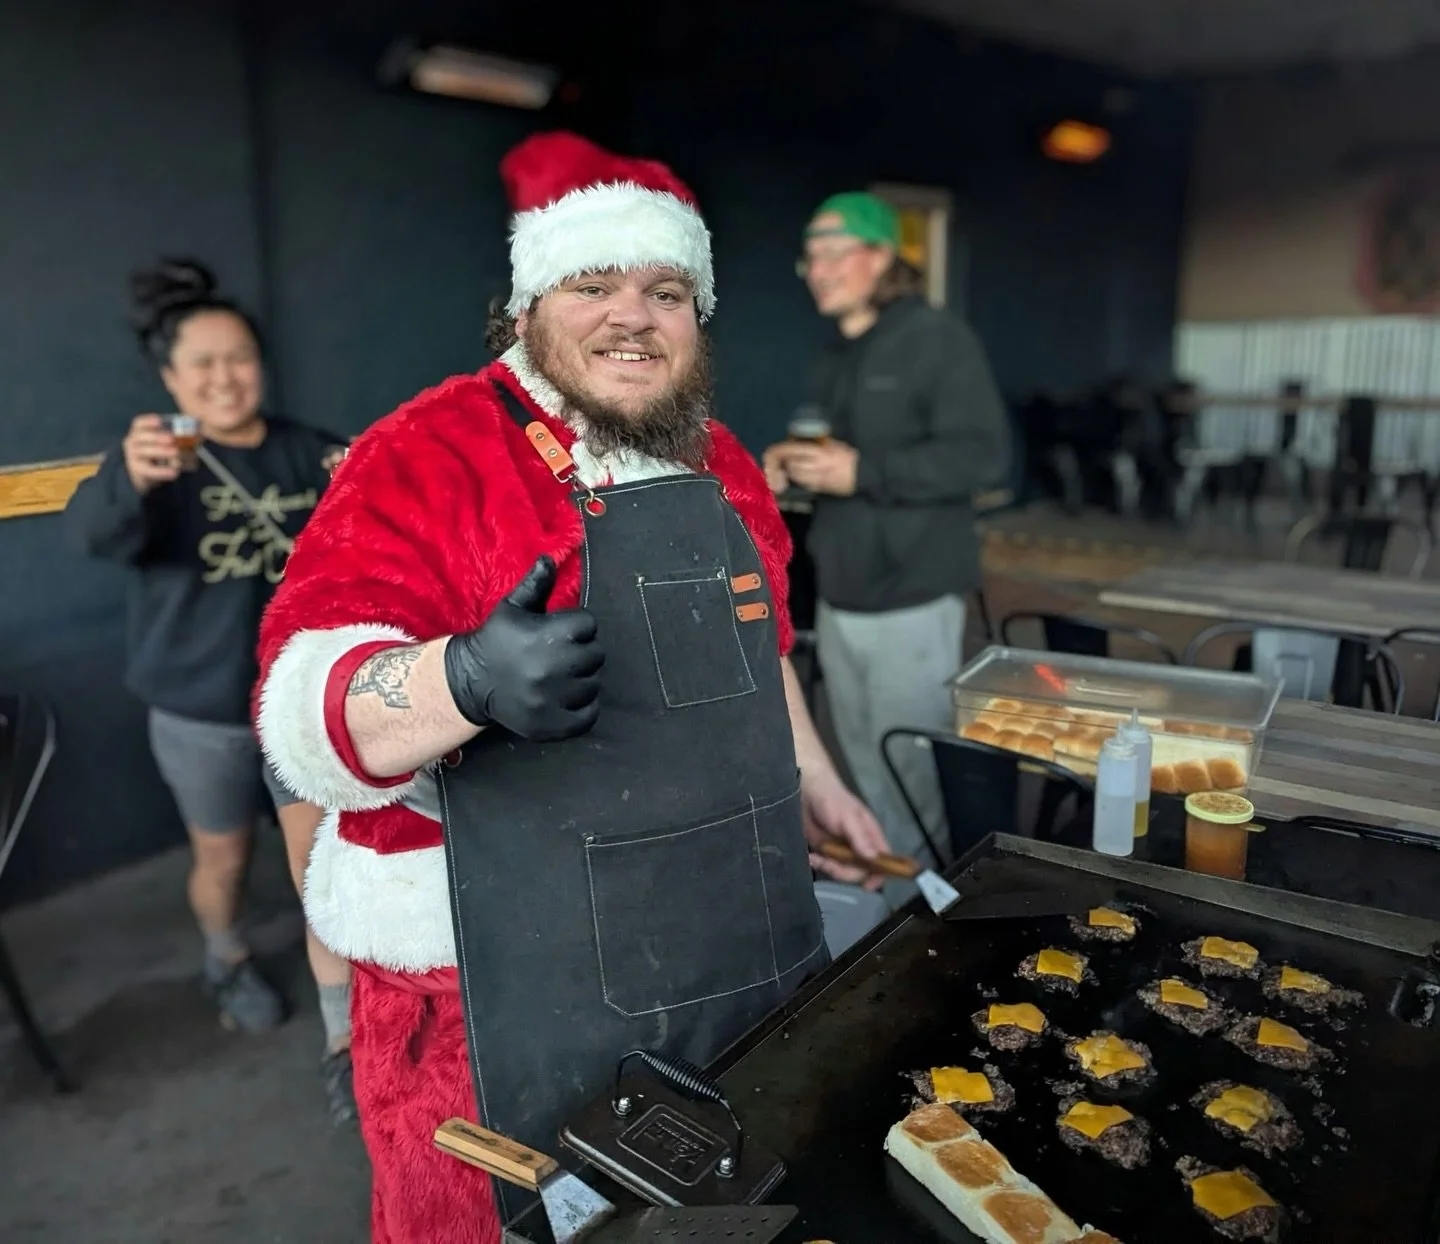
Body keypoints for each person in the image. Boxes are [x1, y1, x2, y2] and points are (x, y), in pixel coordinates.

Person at [253, 131, 888, 1244]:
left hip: (712, 939)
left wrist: (816, 780)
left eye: (664, 289)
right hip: (482, 987)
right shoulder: (427, 449)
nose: (630, 315)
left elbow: (764, 645)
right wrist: (459, 680)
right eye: (593, 283)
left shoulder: (724, 460)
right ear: (527, 306)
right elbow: (304, 697)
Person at [64, 259, 357, 1122]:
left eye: (239, 358)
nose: (225, 378)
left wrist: (363, 484)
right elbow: (99, 535)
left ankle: (344, 1041)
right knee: (222, 860)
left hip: (300, 708)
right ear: (171, 379)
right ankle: (223, 954)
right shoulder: (160, 460)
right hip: (201, 712)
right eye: (203, 365)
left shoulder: (308, 447)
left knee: (324, 875)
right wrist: (132, 475)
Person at [763, 192, 1011, 900]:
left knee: (914, 770)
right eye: (809, 256)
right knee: (867, 769)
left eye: (834, 253)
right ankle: (892, 905)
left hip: (911, 594)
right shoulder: (836, 352)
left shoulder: (936, 338)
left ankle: (933, 908)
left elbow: (984, 457)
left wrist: (863, 472)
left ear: (880, 257)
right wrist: (790, 463)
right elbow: (833, 448)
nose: (817, 270)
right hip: (843, 592)